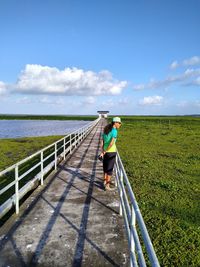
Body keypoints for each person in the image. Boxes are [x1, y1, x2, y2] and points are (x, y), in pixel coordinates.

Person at [100, 117, 122, 190]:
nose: (120, 124)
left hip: (105, 152)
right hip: (111, 152)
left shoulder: (106, 129)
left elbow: (102, 141)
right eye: (119, 123)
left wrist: (103, 151)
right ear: (115, 123)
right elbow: (111, 143)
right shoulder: (114, 131)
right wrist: (106, 151)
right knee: (109, 169)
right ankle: (107, 185)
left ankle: (104, 181)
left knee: (105, 168)